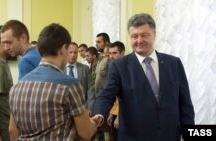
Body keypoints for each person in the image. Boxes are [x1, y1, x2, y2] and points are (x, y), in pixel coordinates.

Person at [92, 13, 195, 141]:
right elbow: (106, 95)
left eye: (144, 35)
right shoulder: (120, 67)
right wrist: (99, 114)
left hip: (169, 135)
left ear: (154, 35)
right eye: (134, 36)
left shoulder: (174, 63)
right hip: (134, 136)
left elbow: (185, 104)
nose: (139, 40)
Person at [9, 23, 99, 141]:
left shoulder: (16, 88)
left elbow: (12, 131)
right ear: (63, 49)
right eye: (69, 50)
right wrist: (94, 124)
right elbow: (85, 133)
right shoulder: (69, 85)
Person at [65, 42, 94, 110]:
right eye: (70, 52)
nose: (73, 55)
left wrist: (89, 107)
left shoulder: (85, 68)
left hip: (82, 107)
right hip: (64, 108)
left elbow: (90, 88)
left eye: (75, 52)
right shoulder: (59, 69)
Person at [106, 41, 125, 141]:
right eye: (110, 53)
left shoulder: (127, 69)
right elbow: (114, 95)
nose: (111, 56)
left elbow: (125, 98)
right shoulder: (114, 68)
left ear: (122, 53)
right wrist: (111, 113)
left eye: (114, 53)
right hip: (115, 111)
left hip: (123, 115)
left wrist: (119, 117)